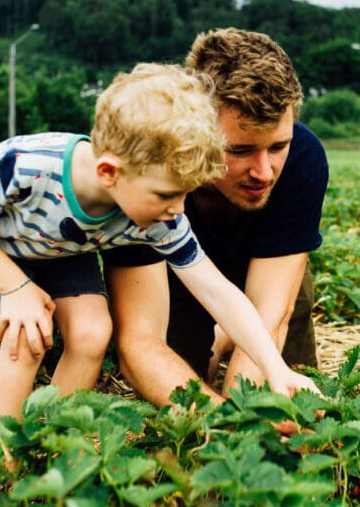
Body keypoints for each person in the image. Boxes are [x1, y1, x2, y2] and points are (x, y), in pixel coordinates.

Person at [0, 62, 319, 420]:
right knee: (26, 338)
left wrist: (275, 368)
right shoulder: (26, 164)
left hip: (64, 250)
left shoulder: (158, 212)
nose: (178, 210)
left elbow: (218, 292)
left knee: (92, 334)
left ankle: (51, 438)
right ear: (108, 172)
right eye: (167, 194)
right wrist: (15, 287)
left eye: (186, 194)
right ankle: (1, 457)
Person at [103, 28, 329, 406]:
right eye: (239, 150)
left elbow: (270, 315)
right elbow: (140, 342)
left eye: (277, 146)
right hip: (174, 272)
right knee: (178, 384)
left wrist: (244, 409)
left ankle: (230, 331)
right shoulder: (146, 177)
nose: (264, 172)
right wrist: (222, 424)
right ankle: (220, 333)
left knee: (288, 393)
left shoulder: (303, 158)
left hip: (264, 267)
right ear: (198, 129)